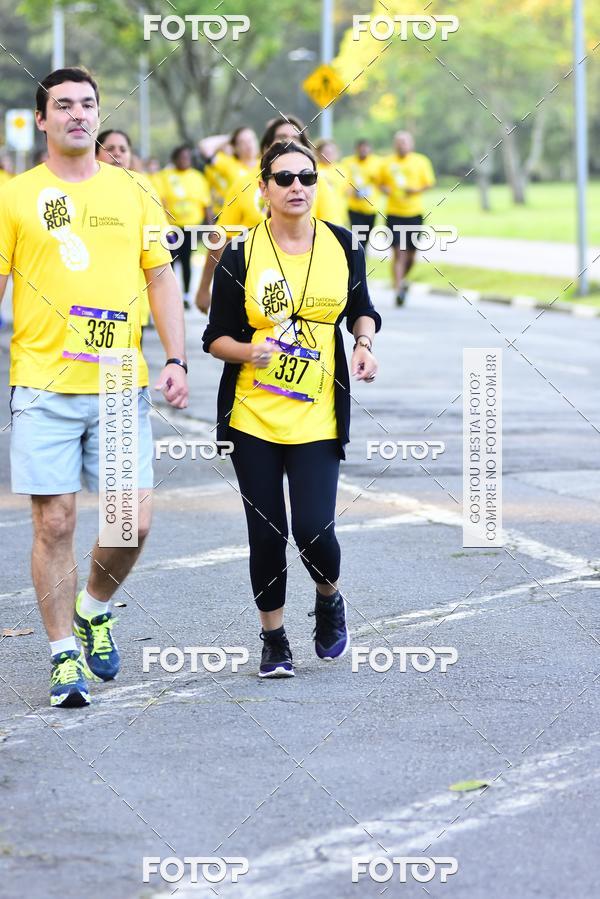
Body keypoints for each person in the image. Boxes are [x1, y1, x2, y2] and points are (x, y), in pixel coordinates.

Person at [0, 66, 188, 707]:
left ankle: (94, 606)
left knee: (132, 522)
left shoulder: (134, 191)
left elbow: (161, 278)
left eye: (87, 103)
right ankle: (62, 656)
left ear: (99, 114)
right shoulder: (16, 197)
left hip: (117, 381)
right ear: (42, 119)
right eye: (64, 105)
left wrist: (176, 358)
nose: (78, 113)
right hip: (43, 383)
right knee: (55, 523)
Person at [203, 140, 381, 678]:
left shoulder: (343, 244)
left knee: (313, 528)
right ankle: (274, 638)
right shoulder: (241, 253)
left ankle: (328, 597)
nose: (297, 186)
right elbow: (215, 337)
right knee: (266, 533)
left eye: (306, 176)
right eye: (284, 178)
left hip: (318, 414)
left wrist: (363, 343)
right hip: (252, 415)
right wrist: (248, 351)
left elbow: (362, 309)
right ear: (263, 188)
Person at [195, 115, 340, 313]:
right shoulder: (244, 183)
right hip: (250, 287)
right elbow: (220, 236)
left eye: (295, 138)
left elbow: (331, 236)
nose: (288, 142)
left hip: (303, 286)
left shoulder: (314, 183)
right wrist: (204, 287)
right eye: (281, 137)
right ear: (267, 145)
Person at [96, 129, 152, 331]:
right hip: (87, 305)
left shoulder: (142, 190)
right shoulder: (81, 190)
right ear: (95, 154)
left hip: (130, 304)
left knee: (122, 354)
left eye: (123, 149)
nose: (117, 153)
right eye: (110, 148)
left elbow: (158, 254)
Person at [379, 131, 435, 306]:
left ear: (411, 144)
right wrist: (384, 189)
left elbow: (429, 183)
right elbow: (379, 183)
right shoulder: (387, 163)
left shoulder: (421, 161)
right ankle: (398, 291)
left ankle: (402, 280)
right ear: (394, 144)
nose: (401, 145)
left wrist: (416, 190)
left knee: (411, 255)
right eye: (399, 142)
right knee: (398, 252)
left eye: (405, 142)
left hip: (414, 214)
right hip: (394, 213)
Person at [159, 144, 213, 308]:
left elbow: (206, 203)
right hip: (171, 227)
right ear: (175, 159)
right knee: (171, 260)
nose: (185, 160)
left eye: (187, 157)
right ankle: (171, 293)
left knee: (186, 260)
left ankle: (187, 295)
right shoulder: (165, 176)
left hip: (190, 227)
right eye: (182, 157)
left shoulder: (198, 177)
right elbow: (160, 200)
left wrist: (211, 226)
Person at [199, 126, 259, 216]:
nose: (249, 145)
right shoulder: (229, 164)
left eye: (251, 140)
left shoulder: (265, 162)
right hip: (234, 218)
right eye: (243, 142)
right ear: (235, 148)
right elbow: (205, 146)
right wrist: (230, 138)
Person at [342, 139, 382, 251]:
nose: (363, 150)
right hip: (355, 208)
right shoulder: (348, 162)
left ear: (370, 149)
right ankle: (357, 259)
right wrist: (351, 191)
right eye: (361, 148)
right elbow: (344, 181)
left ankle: (361, 258)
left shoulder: (377, 162)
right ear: (356, 149)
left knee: (365, 240)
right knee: (357, 240)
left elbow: (383, 181)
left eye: (366, 148)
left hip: (371, 209)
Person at [315, 138, 348, 226]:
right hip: (320, 216)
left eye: (332, 152)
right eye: (326, 152)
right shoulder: (315, 169)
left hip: (339, 215)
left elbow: (346, 191)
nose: (329, 155)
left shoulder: (342, 169)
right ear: (318, 153)